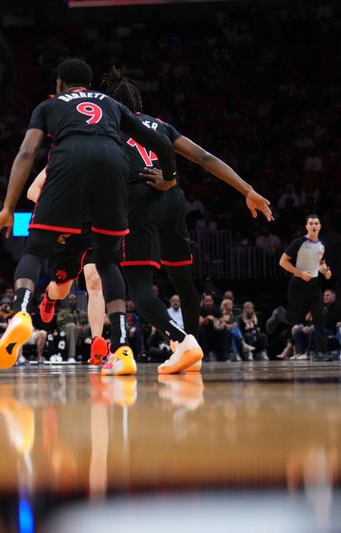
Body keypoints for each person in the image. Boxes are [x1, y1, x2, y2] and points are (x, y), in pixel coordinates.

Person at [0, 58, 177, 375]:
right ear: (89, 86)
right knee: (94, 272)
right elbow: (159, 142)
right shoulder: (110, 105)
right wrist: (169, 177)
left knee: (45, 254)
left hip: (74, 189)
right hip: (108, 173)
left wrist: (8, 208)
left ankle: (24, 313)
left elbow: (25, 153)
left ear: (59, 84)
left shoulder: (51, 105)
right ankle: (119, 346)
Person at [100, 67, 273, 374]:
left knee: (139, 288)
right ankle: (191, 351)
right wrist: (248, 190)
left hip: (139, 201)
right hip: (172, 199)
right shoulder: (160, 125)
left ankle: (182, 342)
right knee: (183, 279)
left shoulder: (110, 128)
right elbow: (204, 157)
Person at [26, 167, 108, 366]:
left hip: (92, 229)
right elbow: (32, 191)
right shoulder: (62, 157)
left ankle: (97, 341)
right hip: (64, 230)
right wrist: (56, 212)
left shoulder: (102, 156)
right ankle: (49, 297)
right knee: (61, 291)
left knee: (95, 282)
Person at [266, 215, 333, 360]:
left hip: (315, 285)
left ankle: (321, 352)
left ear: (320, 226)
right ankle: (278, 314)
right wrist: (300, 273)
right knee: (294, 318)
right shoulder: (299, 242)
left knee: (319, 317)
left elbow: (321, 264)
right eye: (311, 223)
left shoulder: (322, 245)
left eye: (316, 223)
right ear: (307, 226)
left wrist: (326, 271)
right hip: (298, 284)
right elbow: (282, 262)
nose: (314, 225)